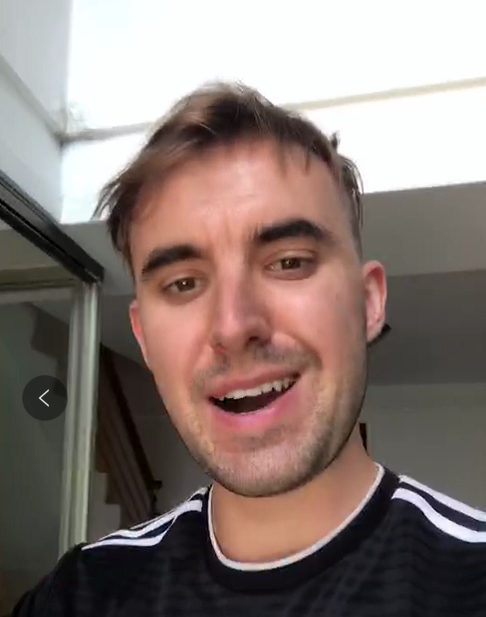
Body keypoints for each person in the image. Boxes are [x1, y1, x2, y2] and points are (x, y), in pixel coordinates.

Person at [13, 82, 486, 616]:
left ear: (369, 302)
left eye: (288, 262)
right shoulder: (81, 595)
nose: (234, 326)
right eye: (183, 284)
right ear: (144, 338)